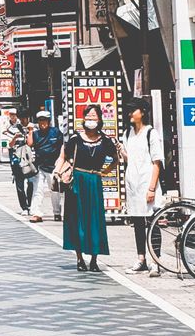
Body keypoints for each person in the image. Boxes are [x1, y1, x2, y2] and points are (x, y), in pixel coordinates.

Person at [57, 104, 116, 273]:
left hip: (94, 181)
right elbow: (64, 156)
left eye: (94, 117)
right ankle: (79, 258)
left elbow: (116, 159)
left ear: (100, 120)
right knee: (77, 219)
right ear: (83, 119)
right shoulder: (75, 139)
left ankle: (95, 259)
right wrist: (58, 172)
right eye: (88, 117)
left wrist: (104, 172)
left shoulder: (105, 140)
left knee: (95, 219)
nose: (90, 120)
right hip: (77, 181)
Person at [122, 104, 165, 274]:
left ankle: (156, 260)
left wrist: (152, 188)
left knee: (153, 222)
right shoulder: (127, 133)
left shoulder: (150, 133)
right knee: (138, 223)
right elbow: (129, 159)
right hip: (133, 183)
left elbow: (157, 162)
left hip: (148, 183)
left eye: (134, 110)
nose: (130, 113)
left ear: (143, 112)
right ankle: (141, 258)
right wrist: (121, 151)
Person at [30, 110, 64, 223]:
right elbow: (30, 144)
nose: (42, 123)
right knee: (38, 190)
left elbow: (63, 148)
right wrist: (30, 131)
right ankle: (36, 213)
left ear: (49, 121)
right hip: (40, 167)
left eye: (44, 120)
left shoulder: (56, 132)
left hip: (53, 167)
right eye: (40, 121)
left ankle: (57, 213)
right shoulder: (36, 134)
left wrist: (60, 163)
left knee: (54, 191)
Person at [9, 117, 38, 215]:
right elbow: (10, 145)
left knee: (31, 183)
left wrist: (31, 131)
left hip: (31, 160)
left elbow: (36, 143)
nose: (23, 121)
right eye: (21, 119)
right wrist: (15, 138)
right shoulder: (14, 128)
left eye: (25, 118)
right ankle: (24, 207)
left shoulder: (34, 128)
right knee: (19, 185)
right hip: (18, 160)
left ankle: (30, 205)